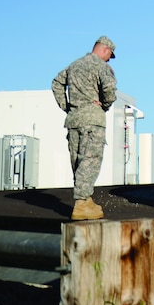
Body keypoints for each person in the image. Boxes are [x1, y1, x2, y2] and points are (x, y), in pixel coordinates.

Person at [51, 35, 118, 220]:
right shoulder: (101, 67)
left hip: (74, 119)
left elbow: (56, 83)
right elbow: (110, 92)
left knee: (78, 161)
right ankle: (81, 203)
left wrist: (67, 106)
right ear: (105, 49)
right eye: (109, 55)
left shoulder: (74, 65)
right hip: (92, 119)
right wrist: (103, 105)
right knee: (90, 160)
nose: (108, 59)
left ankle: (86, 200)